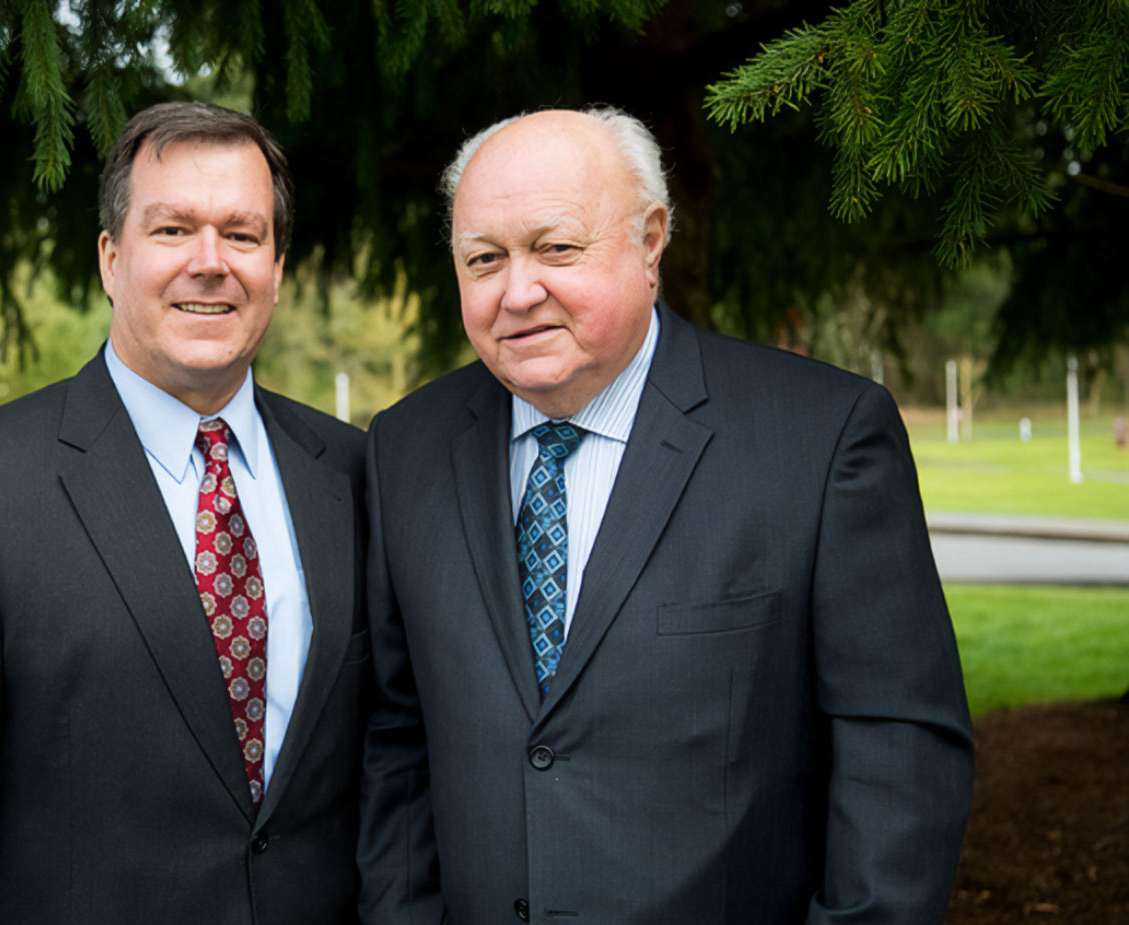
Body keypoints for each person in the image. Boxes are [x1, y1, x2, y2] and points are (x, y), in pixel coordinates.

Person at [357, 107, 973, 923]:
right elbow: (397, 742)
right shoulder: (406, 448)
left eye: (556, 247)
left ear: (651, 240)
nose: (518, 290)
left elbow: (898, 764)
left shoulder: (822, 441)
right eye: (483, 258)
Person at [0, 101, 368, 923]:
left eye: (242, 233)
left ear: (277, 265)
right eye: (171, 230)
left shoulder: (355, 472)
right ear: (111, 258)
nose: (210, 261)